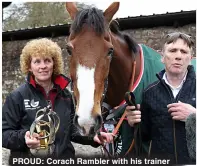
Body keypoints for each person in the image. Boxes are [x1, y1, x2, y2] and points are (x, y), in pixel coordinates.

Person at [2, 38, 113, 163]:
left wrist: (93, 138)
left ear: (54, 64)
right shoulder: (17, 96)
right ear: (29, 66)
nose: (43, 66)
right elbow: (4, 134)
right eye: (37, 62)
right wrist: (24, 137)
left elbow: (71, 131)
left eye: (47, 61)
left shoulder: (65, 95)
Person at [126, 32, 196, 165]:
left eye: (184, 52)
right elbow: (145, 137)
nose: (178, 56)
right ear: (162, 57)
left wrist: (193, 116)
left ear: (190, 58)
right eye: (173, 50)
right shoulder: (150, 92)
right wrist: (134, 123)